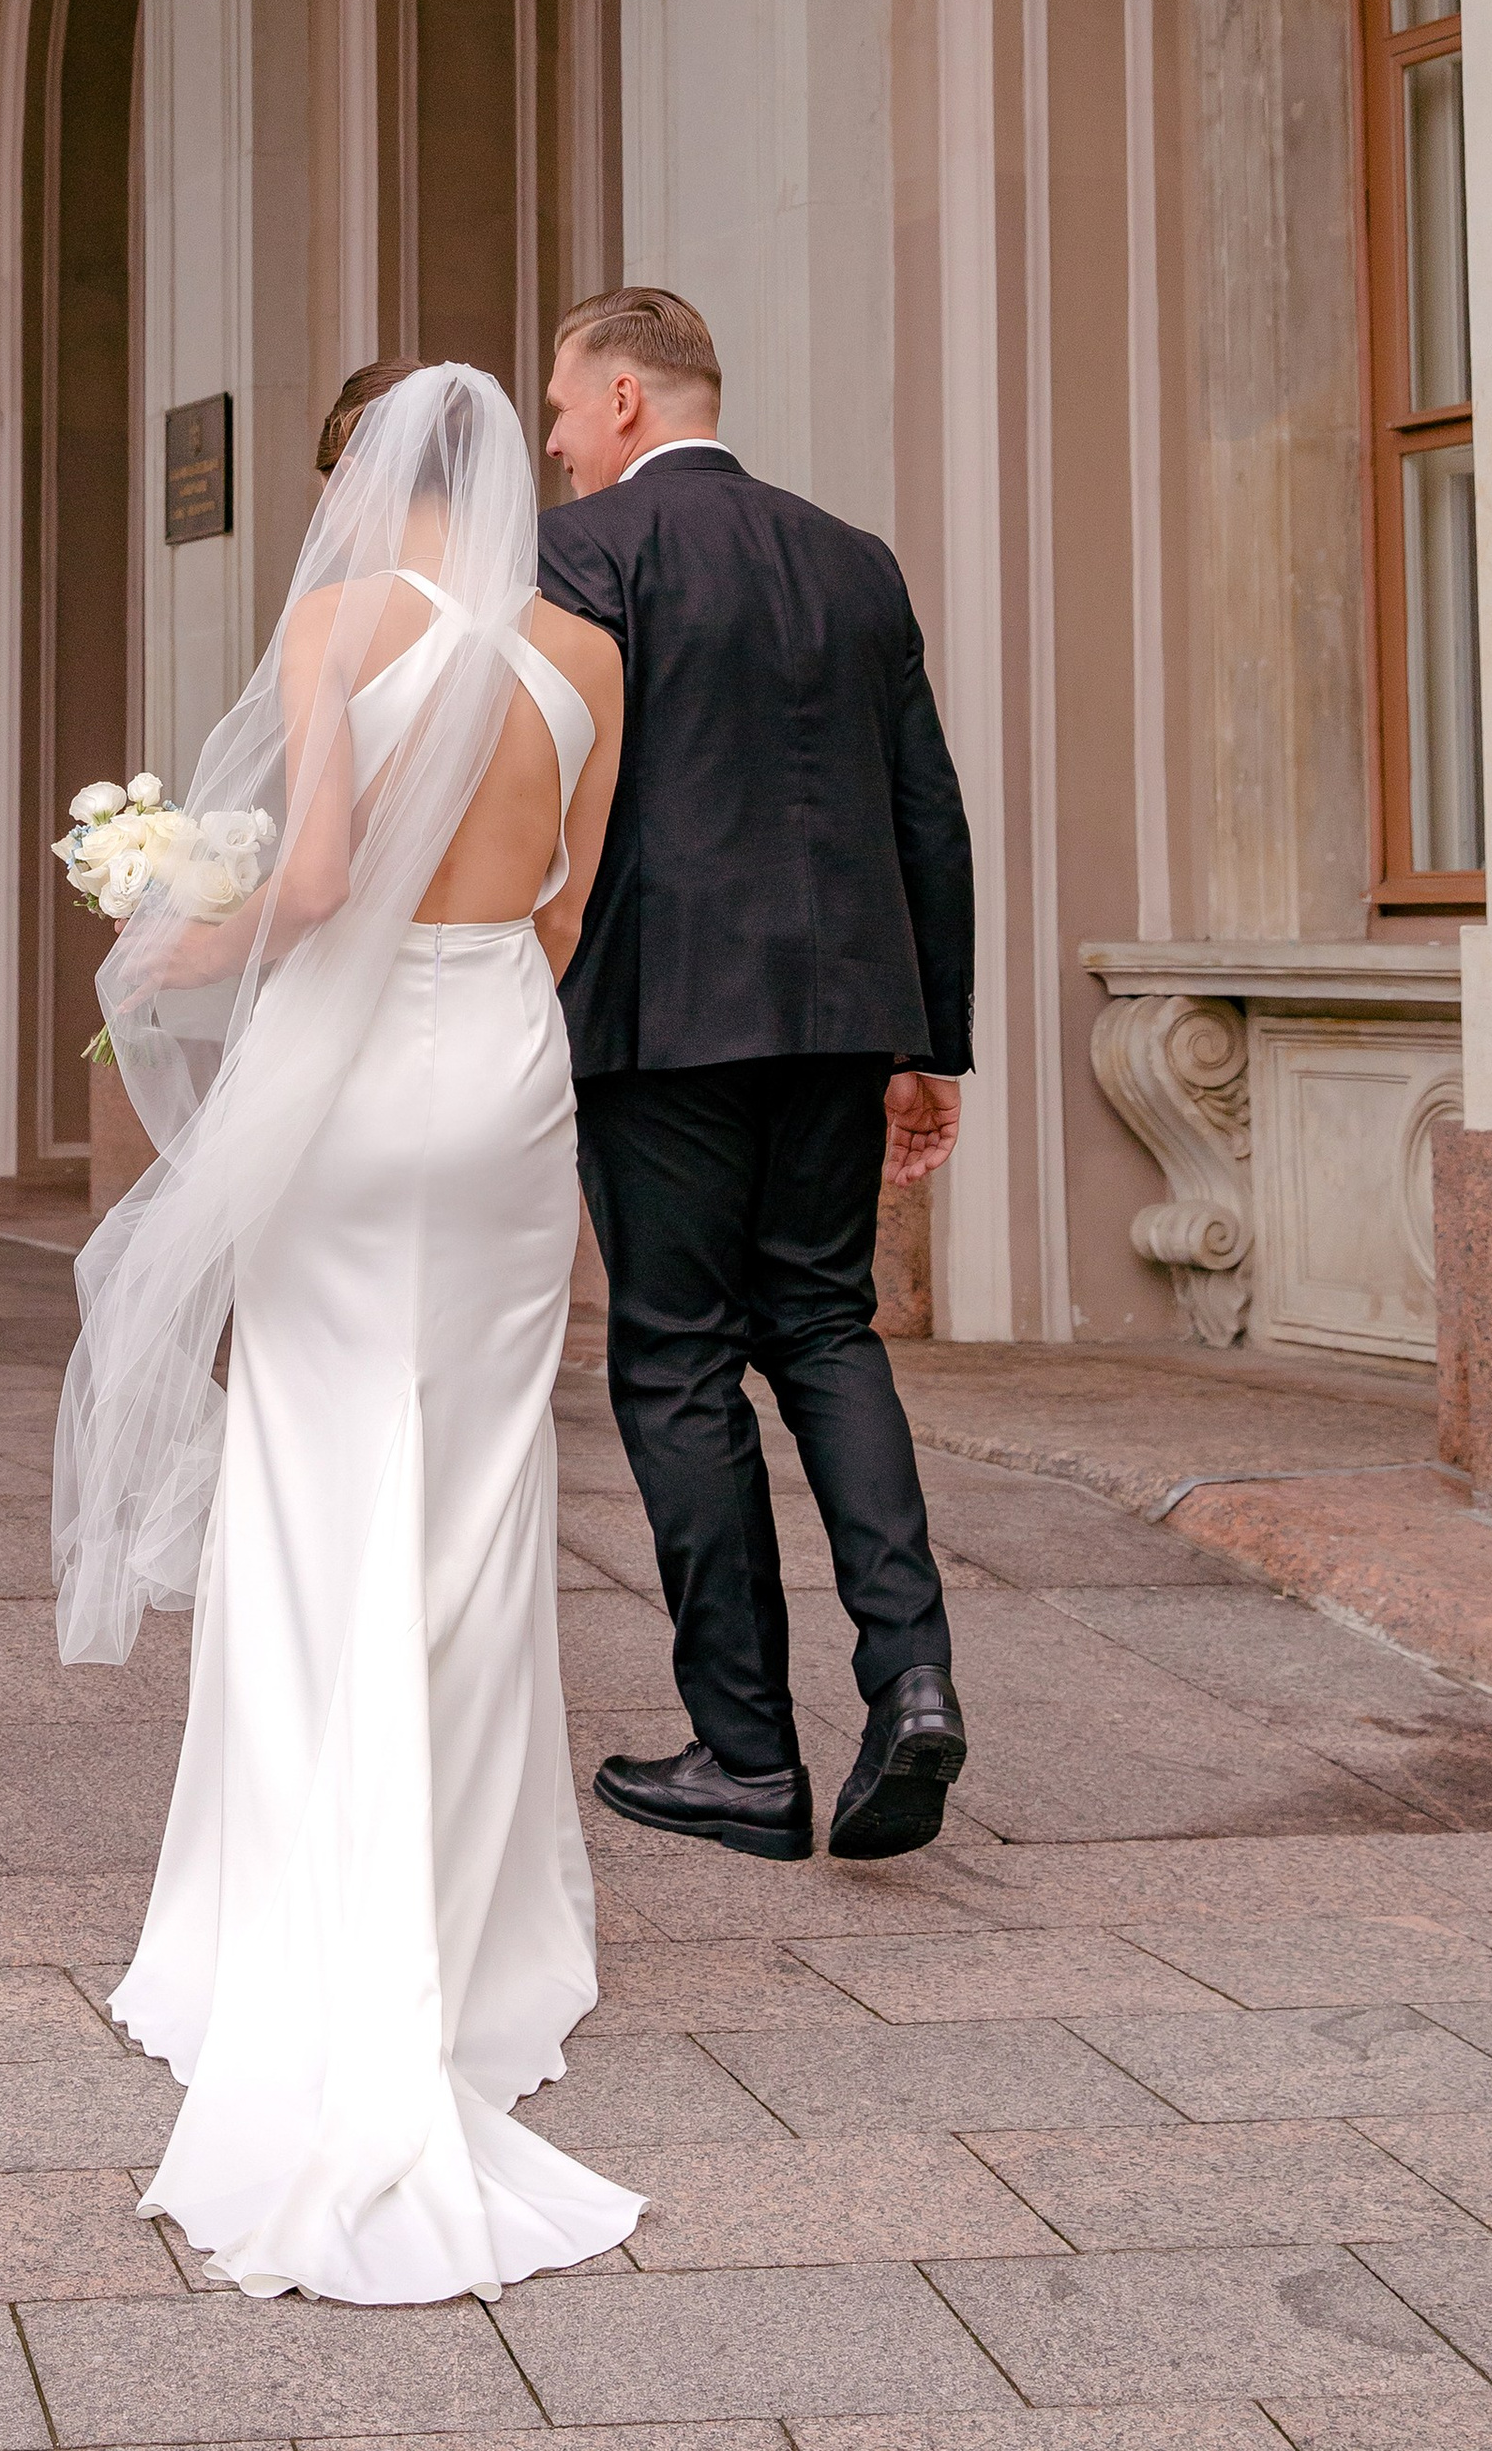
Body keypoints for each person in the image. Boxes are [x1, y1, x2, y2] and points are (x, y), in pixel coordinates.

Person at [55, 358, 634, 2304]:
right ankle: (475, 1951)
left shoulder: (330, 620)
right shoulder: (581, 654)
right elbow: (559, 916)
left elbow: (309, 885)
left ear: (363, 478)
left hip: (358, 1068)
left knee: (311, 1482)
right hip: (504, 1077)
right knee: (475, 1506)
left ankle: (290, 1930)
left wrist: (167, 935)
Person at [537, 286, 975, 1864]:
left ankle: (745, 1753)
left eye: (568, 409)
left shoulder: (584, 555)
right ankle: (911, 1677)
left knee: (675, 1358)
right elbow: (928, 807)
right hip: (849, 1007)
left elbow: (547, 785)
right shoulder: (854, 558)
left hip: (662, 1015)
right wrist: (930, 1039)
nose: (562, 440)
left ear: (633, 399)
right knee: (827, 1325)